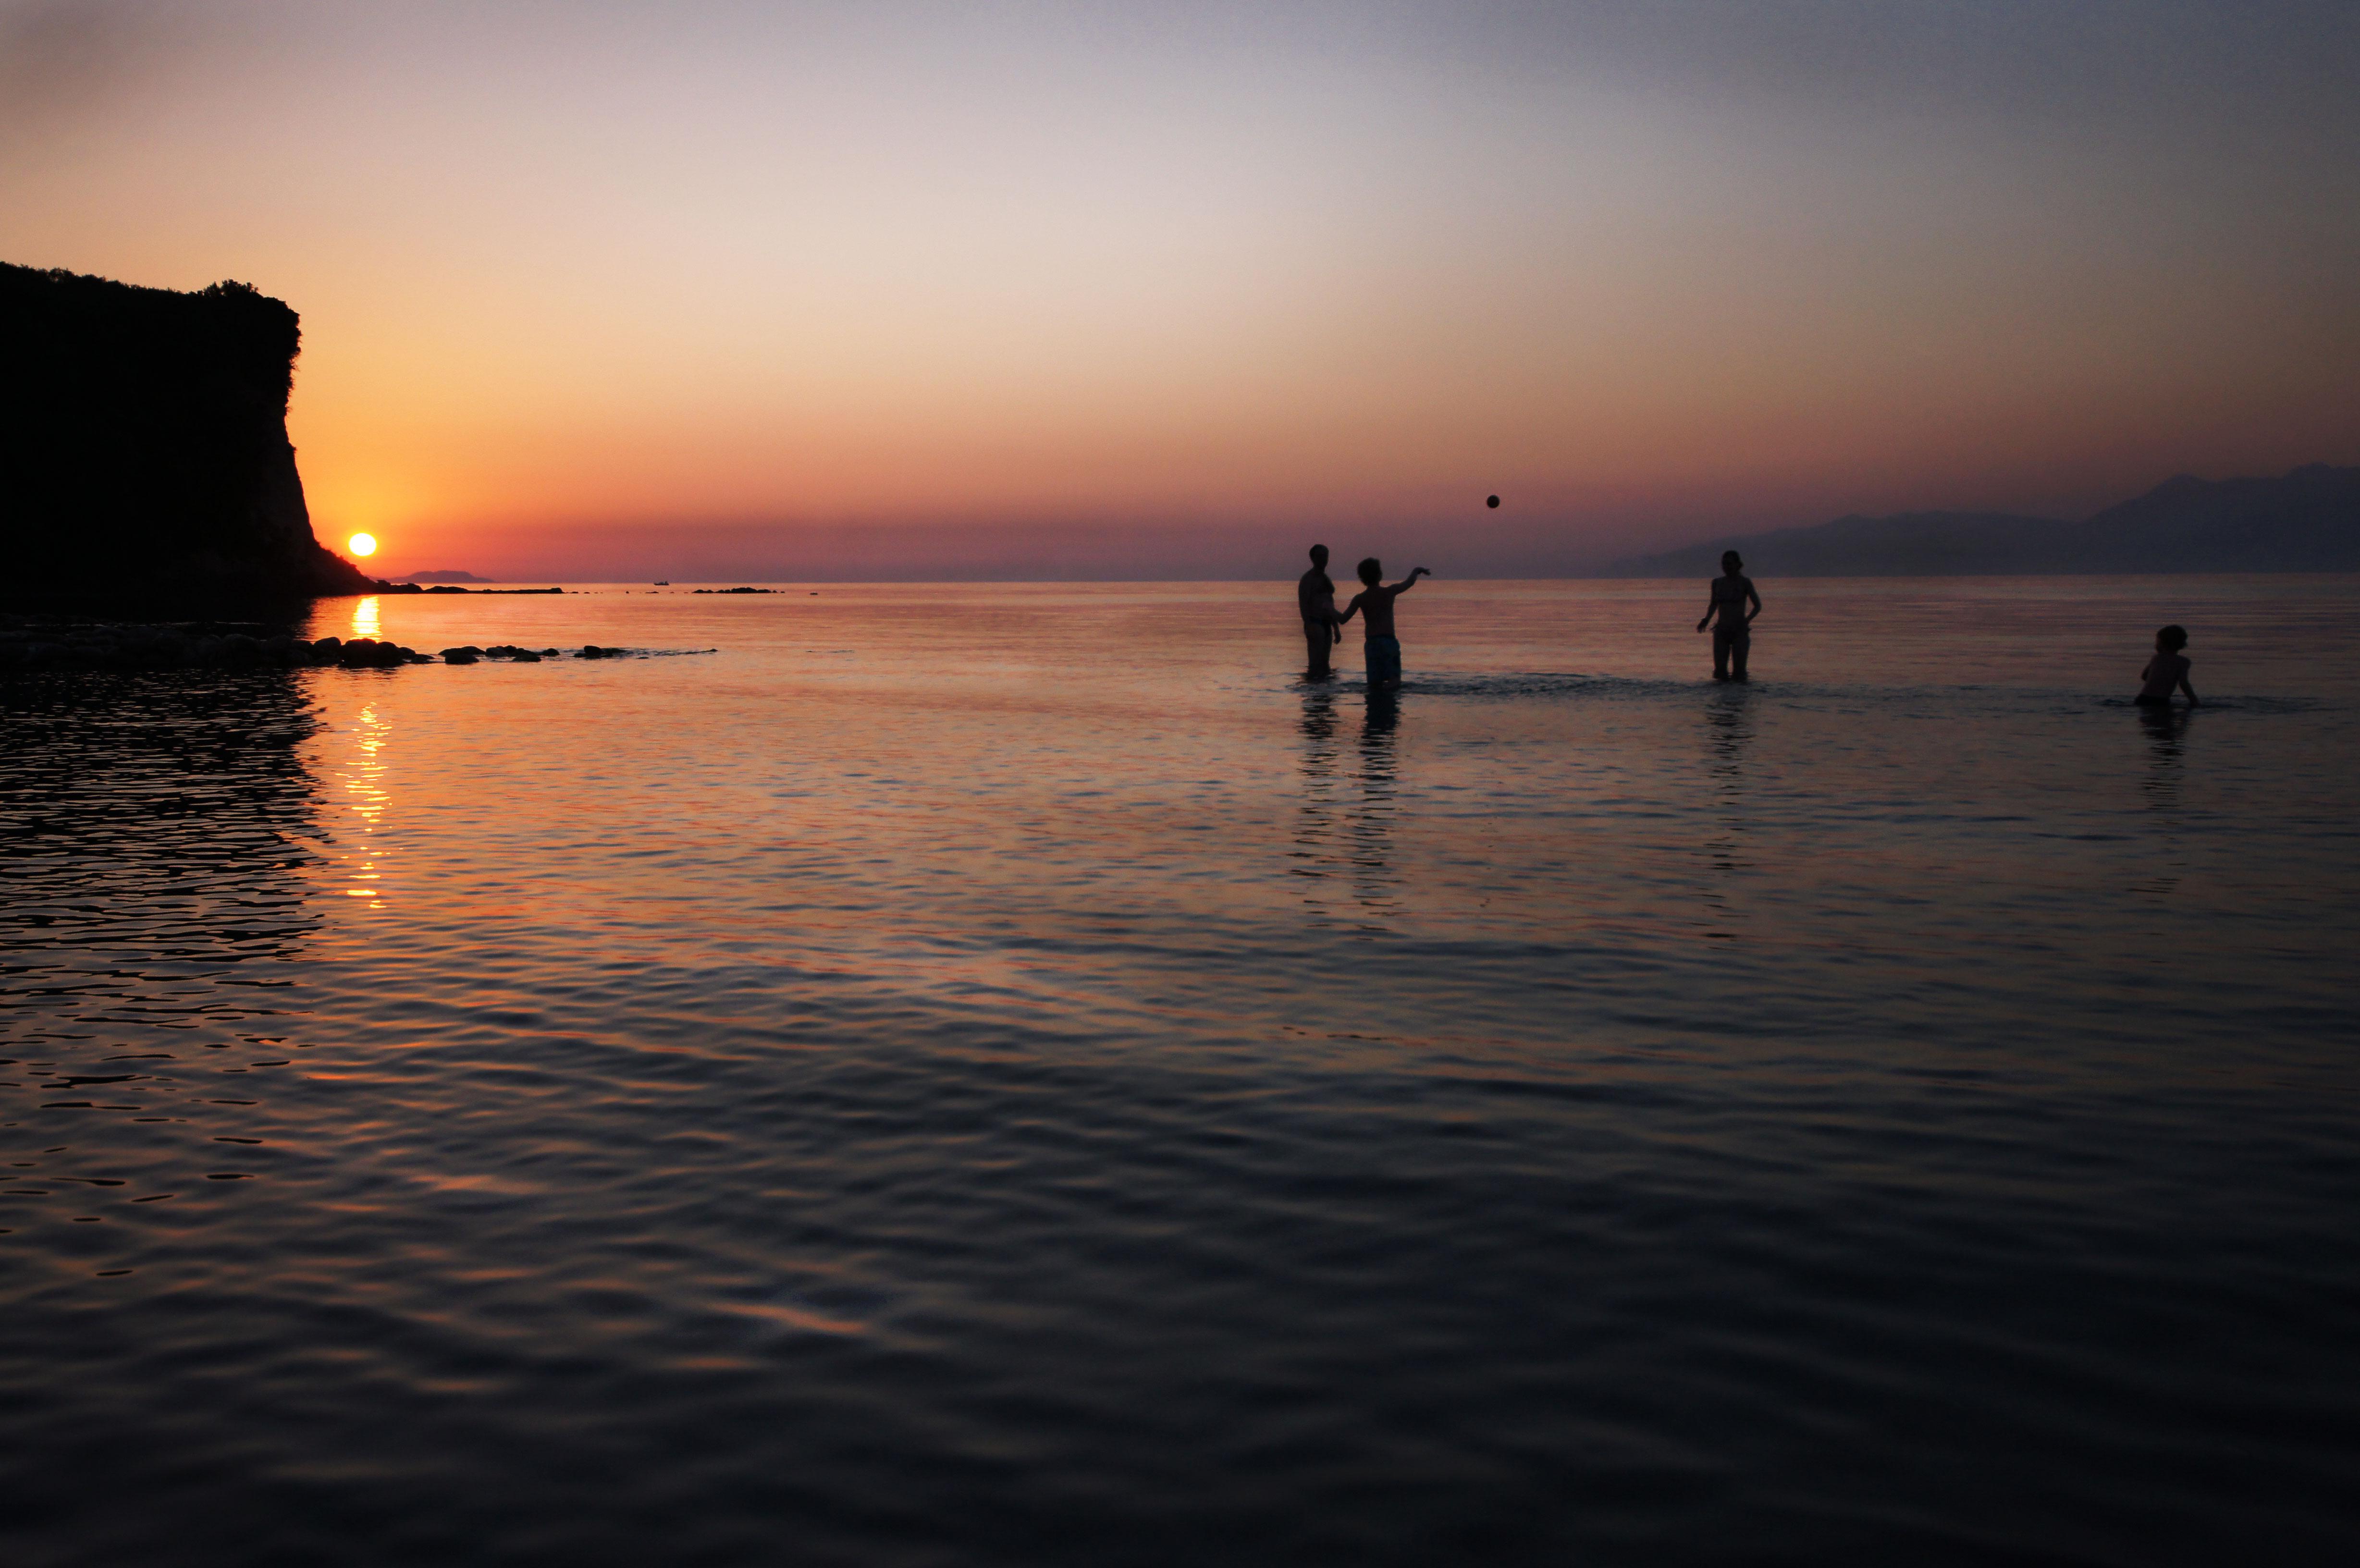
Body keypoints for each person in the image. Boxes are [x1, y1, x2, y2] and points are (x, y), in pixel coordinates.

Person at [1339, 558, 1430, 691]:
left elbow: (1342, 619)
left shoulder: (1360, 599)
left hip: (1372, 644)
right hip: (1388, 642)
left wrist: (1329, 609)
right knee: (1394, 681)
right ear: (1380, 575)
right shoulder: (1390, 592)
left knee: (1374, 684)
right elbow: (1409, 583)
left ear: (1361, 579)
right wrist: (1417, 571)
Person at [1696, 550, 1761, 681]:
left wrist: (1747, 621)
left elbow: (1757, 606)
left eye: (1729, 564)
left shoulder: (1745, 583)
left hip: (1739, 632)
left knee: (1739, 674)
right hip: (1721, 631)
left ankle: (1740, 698)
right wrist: (1706, 620)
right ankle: (1723, 698)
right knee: (1720, 673)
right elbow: (1714, 604)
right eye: (1724, 564)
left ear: (1737, 565)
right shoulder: (1717, 583)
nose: (1726, 567)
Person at [1298, 545, 1342, 677]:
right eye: (1320, 556)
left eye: (1325, 556)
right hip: (1315, 623)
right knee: (1315, 664)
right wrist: (1309, 624)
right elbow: (1304, 604)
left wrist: (1336, 628)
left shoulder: (1325, 579)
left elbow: (1330, 603)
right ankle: (1314, 692)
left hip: (1327, 623)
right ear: (1313, 558)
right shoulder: (1308, 579)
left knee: (1325, 665)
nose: (1323, 559)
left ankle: (1324, 694)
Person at [2136, 624, 2199, 707]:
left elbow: (2144, 677)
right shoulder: (2183, 662)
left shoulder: (2156, 658)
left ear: (2161, 643)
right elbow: (2184, 683)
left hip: (2143, 699)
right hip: (2162, 700)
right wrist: (2194, 700)